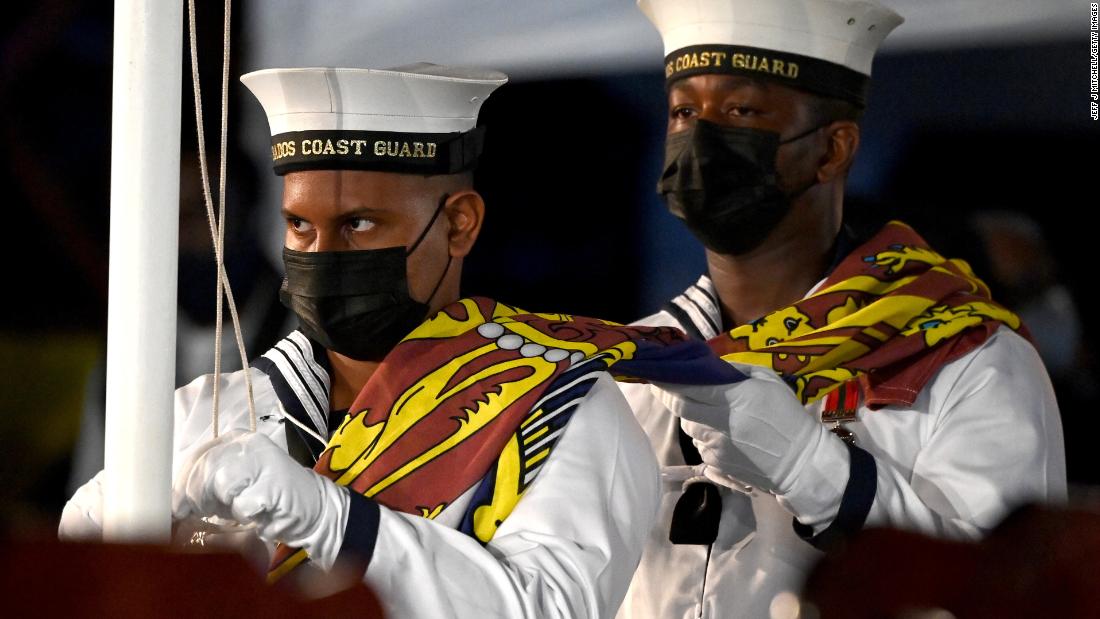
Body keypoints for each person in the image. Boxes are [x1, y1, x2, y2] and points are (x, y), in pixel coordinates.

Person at [59, 63, 683, 618]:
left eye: (359, 223)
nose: (322, 253)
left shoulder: (559, 405)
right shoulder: (208, 413)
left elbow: (544, 607)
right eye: (300, 225)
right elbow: (81, 572)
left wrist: (334, 521)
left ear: (459, 224)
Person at [615, 2, 1068, 618]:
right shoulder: (631, 366)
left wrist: (814, 468)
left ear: (832, 151)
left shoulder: (965, 362)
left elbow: (1007, 595)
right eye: (684, 112)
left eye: (742, 111)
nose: (700, 139)